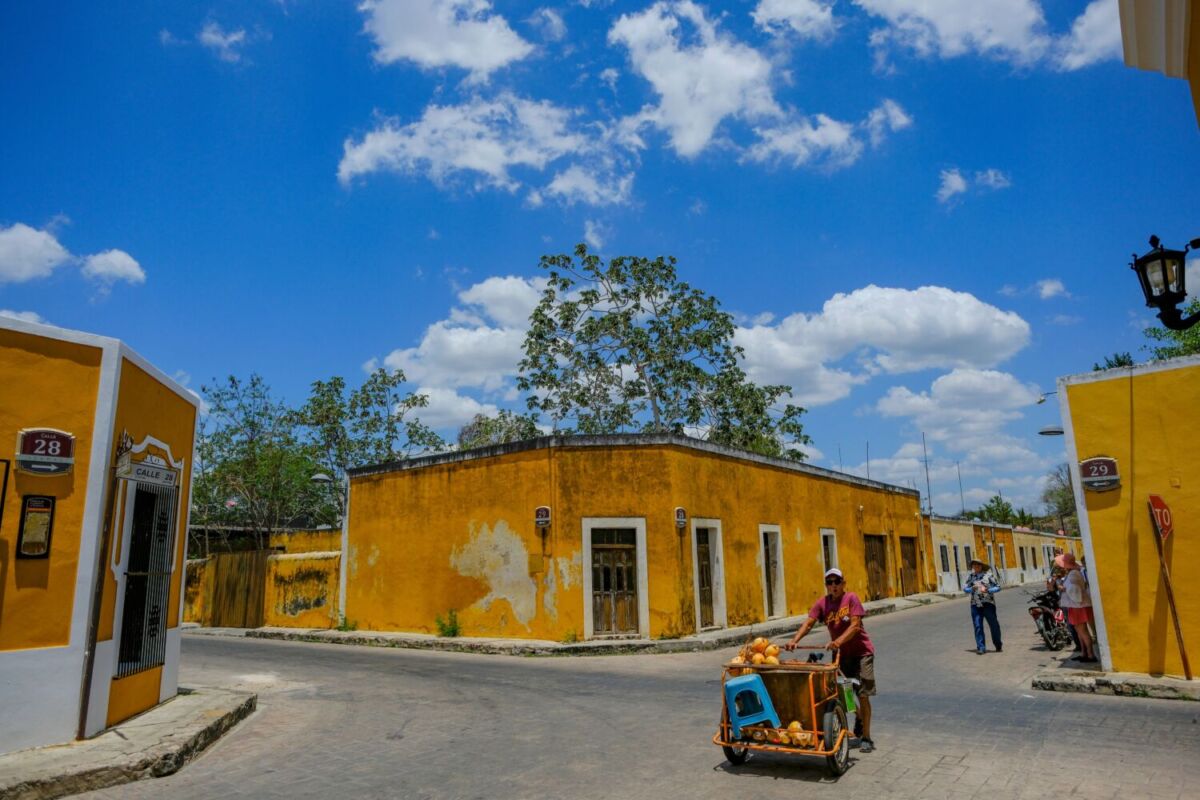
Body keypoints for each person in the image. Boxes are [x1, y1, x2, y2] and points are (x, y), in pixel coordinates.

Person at [784, 568, 876, 753]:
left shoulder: (851, 598)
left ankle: (866, 737)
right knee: (842, 693)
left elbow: (855, 625)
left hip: (861, 654)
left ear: (843, 583)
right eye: (829, 582)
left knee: (863, 694)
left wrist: (838, 641)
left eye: (837, 581)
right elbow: (809, 623)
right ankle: (857, 716)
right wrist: (794, 640)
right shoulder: (823, 603)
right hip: (840, 655)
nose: (833, 585)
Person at [1056, 553, 1097, 663]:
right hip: (1076, 605)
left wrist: (1062, 588)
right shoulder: (1074, 572)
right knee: (1079, 631)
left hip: (1078, 606)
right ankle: (1084, 653)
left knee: (1082, 631)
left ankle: (1090, 655)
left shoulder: (1074, 573)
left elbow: (1075, 589)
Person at [963, 557, 1002, 654]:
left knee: (994, 625)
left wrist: (988, 590)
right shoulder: (970, 577)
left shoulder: (988, 575)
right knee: (977, 626)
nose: (976, 566)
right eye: (974, 565)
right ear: (972, 566)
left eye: (978, 565)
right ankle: (981, 647)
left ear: (981, 566)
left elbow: (998, 587)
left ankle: (998, 644)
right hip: (975, 604)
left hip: (988, 604)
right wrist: (972, 588)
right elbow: (965, 589)